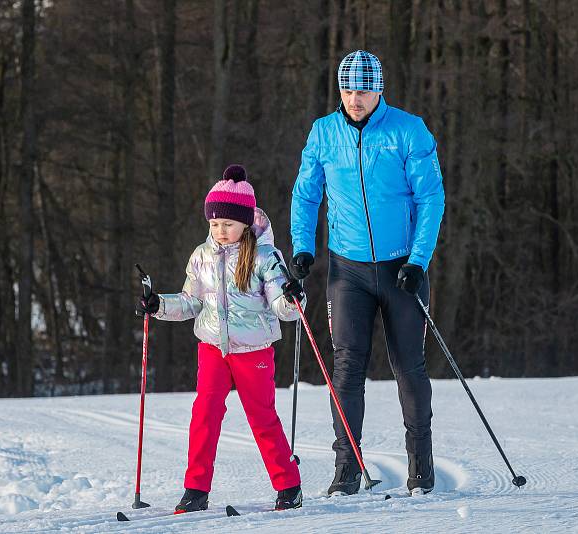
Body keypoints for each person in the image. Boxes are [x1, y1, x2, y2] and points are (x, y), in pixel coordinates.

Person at [289, 50, 445, 496]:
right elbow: (305, 196)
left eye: (363, 90)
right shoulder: (323, 133)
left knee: (409, 367)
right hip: (347, 270)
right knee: (345, 368)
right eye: (347, 89)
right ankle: (347, 468)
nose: (354, 99)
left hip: (401, 268)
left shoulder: (408, 130)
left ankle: (421, 465)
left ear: (379, 90)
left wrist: (418, 261)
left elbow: (430, 198)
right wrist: (303, 249)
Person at [137, 164, 306, 512]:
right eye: (214, 223)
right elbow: (190, 301)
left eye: (227, 223)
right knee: (205, 414)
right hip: (212, 348)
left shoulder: (265, 256)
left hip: (253, 350)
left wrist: (293, 296)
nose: (220, 230)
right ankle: (196, 489)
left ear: (245, 221)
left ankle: (289, 486)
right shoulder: (201, 256)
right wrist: (158, 305)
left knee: (262, 417)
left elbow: (283, 308)